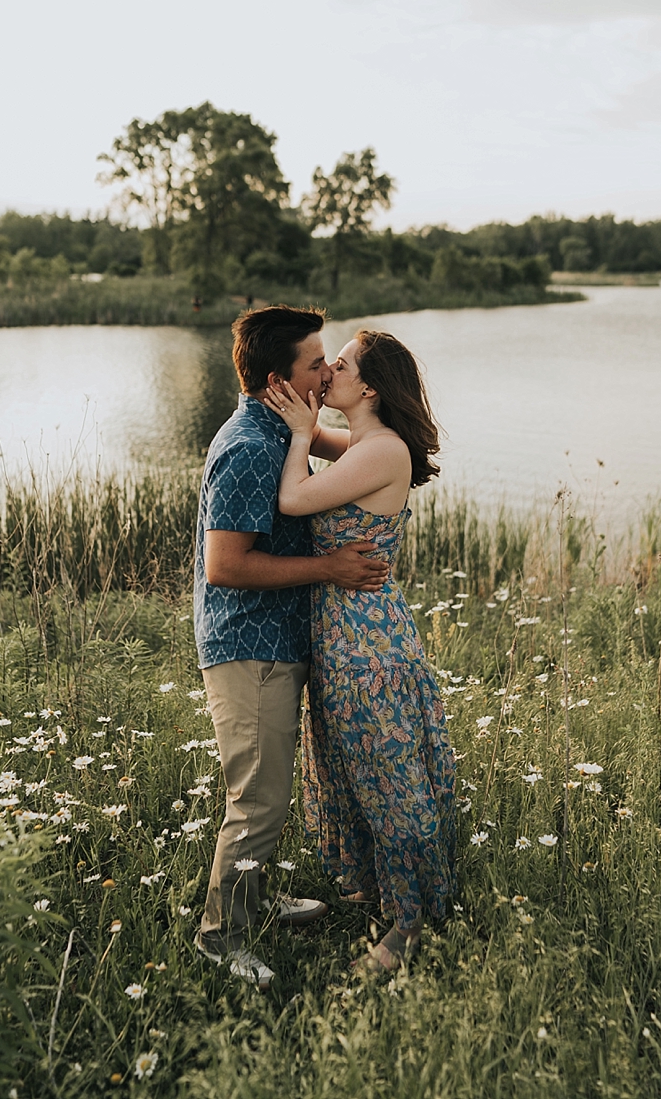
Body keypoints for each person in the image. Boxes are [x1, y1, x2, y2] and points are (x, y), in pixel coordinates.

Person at [193, 306, 389, 990]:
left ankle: (255, 896)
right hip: (249, 646)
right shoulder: (250, 447)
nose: (328, 369)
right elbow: (226, 565)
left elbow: (365, 453)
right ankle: (222, 937)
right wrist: (331, 569)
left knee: (271, 791)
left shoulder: (282, 428)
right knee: (258, 799)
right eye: (316, 363)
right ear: (280, 378)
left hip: (279, 639)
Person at [264, 329, 456, 973]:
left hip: (368, 646)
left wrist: (298, 434)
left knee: (389, 780)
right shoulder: (364, 444)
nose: (329, 369)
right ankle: (380, 892)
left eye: (338, 364)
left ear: (369, 386)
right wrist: (301, 414)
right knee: (357, 772)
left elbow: (293, 499)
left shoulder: (382, 452)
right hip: (344, 637)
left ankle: (409, 927)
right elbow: (319, 437)